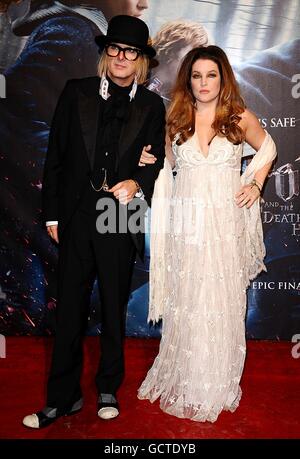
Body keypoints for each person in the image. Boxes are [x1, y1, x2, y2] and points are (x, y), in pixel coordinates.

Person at [22, 14, 165, 429]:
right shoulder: (76, 93)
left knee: (114, 306)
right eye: (115, 49)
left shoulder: (153, 106)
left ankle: (107, 389)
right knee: (69, 308)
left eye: (130, 51)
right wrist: (52, 213)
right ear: (106, 54)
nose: (121, 57)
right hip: (77, 211)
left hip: (121, 212)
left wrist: (136, 181)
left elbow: (155, 162)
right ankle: (61, 399)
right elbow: (56, 159)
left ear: (140, 60)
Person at [137, 45, 277, 422]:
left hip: (224, 223)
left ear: (222, 78)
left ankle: (215, 381)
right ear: (188, 80)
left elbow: (268, 148)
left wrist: (256, 184)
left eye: (210, 75)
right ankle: (186, 375)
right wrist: (147, 159)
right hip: (187, 221)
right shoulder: (174, 117)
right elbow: (162, 163)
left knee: (220, 299)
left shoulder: (239, 116)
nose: (203, 83)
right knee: (189, 297)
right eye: (196, 75)